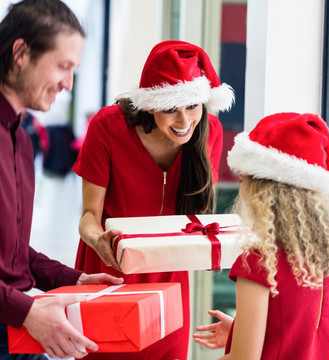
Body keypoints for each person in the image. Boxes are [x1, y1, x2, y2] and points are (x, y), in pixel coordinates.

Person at [73, 40, 234, 359]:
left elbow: (197, 218)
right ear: (150, 104)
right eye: (170, 108)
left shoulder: (209, 133)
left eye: (192, 106)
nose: (184, 120)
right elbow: (88, 216)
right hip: (108, 272)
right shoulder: (107, 127)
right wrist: (98, 240)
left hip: (169, 284)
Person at [0, 1, 124, 359]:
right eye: (63, 66)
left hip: (18, 333)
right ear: (21, 53)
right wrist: (27, 310)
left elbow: (10, 254)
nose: (68, 84)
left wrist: (74, 279)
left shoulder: (21, 142)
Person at [193, 112, 329, 359]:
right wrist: (240, 330)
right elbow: (296, 334)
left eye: (243, 179)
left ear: (262, 191)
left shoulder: (260, 263)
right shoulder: (328, 258)